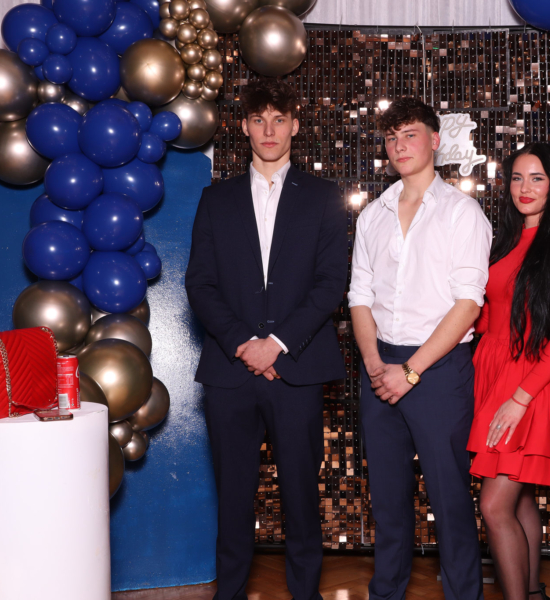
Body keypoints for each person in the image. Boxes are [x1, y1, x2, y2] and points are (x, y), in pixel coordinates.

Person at [185, 77, 347, 600]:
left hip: (297, 369)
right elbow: (200, 283)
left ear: (295, 126)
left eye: (279, 120)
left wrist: (275, 343)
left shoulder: (323, 197)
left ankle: (306, 594)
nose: (269, 130)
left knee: (301, 495)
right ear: (244, 127)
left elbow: (331, 284)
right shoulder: (216, 199)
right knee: (233, 498)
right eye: (259, 120)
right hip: (229, 372)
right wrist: (244, 344)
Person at [349, 97, 492, 600]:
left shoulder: (462, 212)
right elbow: (359, 296)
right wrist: (374, 363)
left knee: (449, 499)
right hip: (379, 364)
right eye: (391, 137)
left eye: (409, 134)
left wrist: (409, 371)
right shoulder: (373, 215)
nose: (399, 145)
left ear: (434, 140)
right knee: (387, 501)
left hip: (438, 370)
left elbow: (468, 304)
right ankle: (385, 593)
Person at [468, 143, 550, 600]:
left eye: (537, 178)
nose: (525, 188)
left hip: (531, 382)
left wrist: (520, 398)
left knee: (493, 505)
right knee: (517, 499)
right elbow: (489, 314)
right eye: (517, 178)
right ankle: (533, 593)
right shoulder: (502, 240)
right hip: (492, 370)